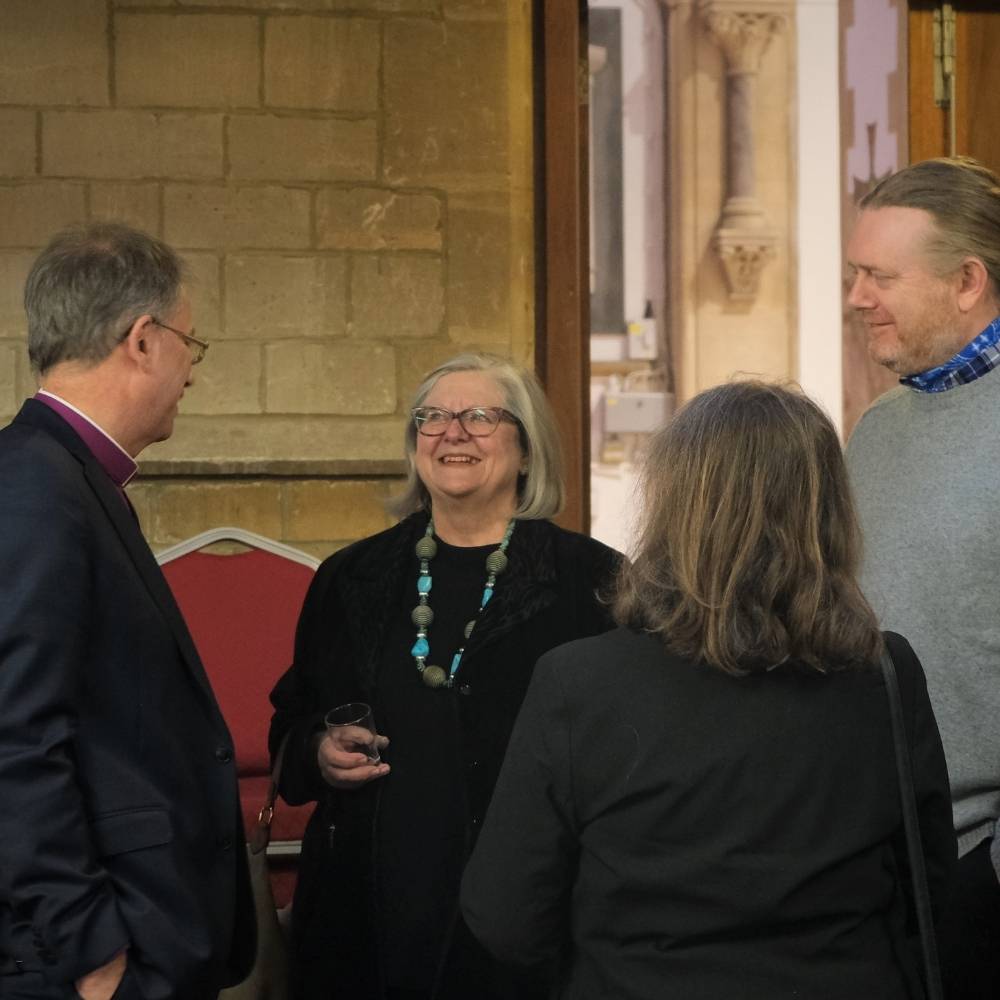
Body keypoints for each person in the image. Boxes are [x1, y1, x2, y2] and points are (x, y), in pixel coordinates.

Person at [461, 380, 956, 999]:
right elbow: (930, 889)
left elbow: (506, 918)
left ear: (670, 507)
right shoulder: (883, 671)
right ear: (827, 511)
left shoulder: (578, 682)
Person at [268, 353, 621, 1000]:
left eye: (480, 416)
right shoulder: (351, 578)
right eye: (432, 418)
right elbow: (292, 722)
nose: (452, 432)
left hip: (530, 913)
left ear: (526, 449)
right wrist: (319, 747)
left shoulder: (597, 585)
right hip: (369, 907)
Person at [0, 223, 254, 1000]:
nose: (192, 372)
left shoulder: (67, 476)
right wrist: (93, 952)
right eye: (191, 345)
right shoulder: (36, 488)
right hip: (94, 957)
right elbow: (14, 737)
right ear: (143, 340)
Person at [844, 156, 1000, 999]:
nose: (857, 297)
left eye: (880, 276)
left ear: (969, 280)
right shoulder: (878, 428)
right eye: (854, 274)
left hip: (980, 878)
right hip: (876, 864)